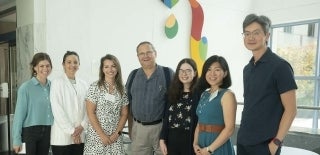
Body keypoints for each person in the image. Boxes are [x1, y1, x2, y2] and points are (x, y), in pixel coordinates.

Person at [237, 14, 298, 155]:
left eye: (256, 33)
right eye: (247, 33)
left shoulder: (280, 67)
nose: (251, 37)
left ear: (267, 35)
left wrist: (276, 143)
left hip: (265, 146)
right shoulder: (247, 69)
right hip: (243, 142)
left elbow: (291, 110)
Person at [126, 41, 174, 155]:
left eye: (148, 52)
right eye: (141, 53)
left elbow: (176, 102)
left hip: (161, 128)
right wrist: (131, 127)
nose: (145, 56)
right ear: (138, 57)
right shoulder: (133, 75)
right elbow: (128, 102)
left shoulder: (168, 73)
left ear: (155, 53)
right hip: (139, 129)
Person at [84, 54, 129, 154]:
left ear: (117, 68)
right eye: (106, 66)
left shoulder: (122, 89)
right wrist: (102, 135)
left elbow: (124, 114)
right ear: (102, 69)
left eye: (113, 66)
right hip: (97, 137)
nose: (110, 69)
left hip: (115, 138)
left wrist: (117, 134)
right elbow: (90, 113)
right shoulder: (95, 87)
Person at [193, 55, 237, 155]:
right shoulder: (204, 94)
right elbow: (199, 124)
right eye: (209, 70)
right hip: (201, 147)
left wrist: (210, 149)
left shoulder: (227, 95)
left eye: (217, 70)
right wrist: (195, 144)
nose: (212, 73)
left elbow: (230, 129)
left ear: (225, 73)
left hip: (217, 147)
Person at [12, 52, 53, 155]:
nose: (45, 68)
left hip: (48, 131)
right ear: (34, 67)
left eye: (47, 66)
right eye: (41, 66)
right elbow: (18, 116)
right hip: (29, 132)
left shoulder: (53, 87)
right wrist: (16, 139)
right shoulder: (26, 88)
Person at [50, 51, 88, 155]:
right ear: (63, 64)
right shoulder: (56, 83)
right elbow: (57, 109)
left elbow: (89, 109)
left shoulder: (84, 84)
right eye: (69, 62)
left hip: (80, 136)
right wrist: (72, 131)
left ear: (79, 65)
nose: (72, 65)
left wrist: (82, 127)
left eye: (75, 62)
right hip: (62, 138)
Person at [159, 58, 200, 155]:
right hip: (172, 139)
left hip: (191, 140)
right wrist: (162, 139)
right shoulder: (172, 93)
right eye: (181, 71)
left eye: (188, 71)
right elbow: (166, 118)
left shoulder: (200, 94)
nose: (184, 74)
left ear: (195, 73)